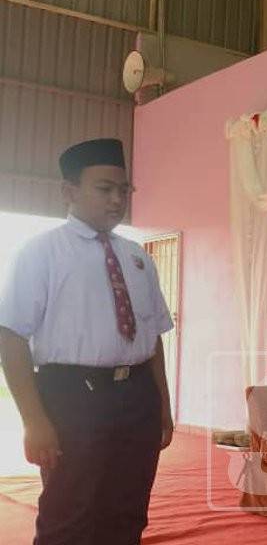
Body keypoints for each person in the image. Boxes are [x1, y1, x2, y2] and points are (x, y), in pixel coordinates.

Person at [0, 138, 175, 545]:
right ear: (69, 191)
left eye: (124, 190)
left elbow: (153, 340)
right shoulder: (41, 252)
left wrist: (162, 407)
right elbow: (10, 337)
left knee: (128, 511)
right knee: (69, 514)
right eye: (104, 188)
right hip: (71, 396)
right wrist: (34, 421)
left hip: (137, 396)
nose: (117, 199)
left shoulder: (137, 257)